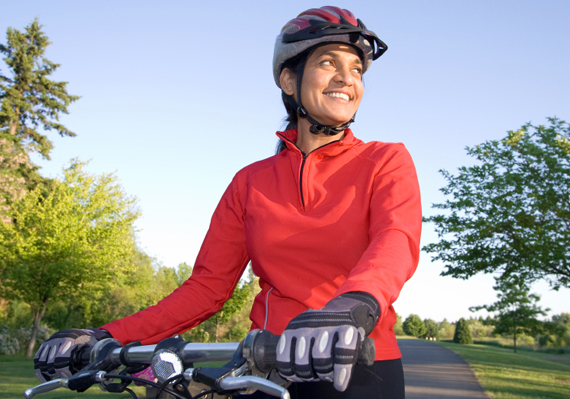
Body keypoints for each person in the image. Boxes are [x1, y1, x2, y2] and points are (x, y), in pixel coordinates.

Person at [33, 6, 421, 398]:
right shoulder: (250, 182)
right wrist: (105, 336)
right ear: (289, 80)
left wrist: (352, 307)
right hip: (265, 366)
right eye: (328, 62)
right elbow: (206, 289)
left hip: (359, 365)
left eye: (356, 69)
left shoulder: (385, 160)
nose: (346, 78)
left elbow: (395, 242)